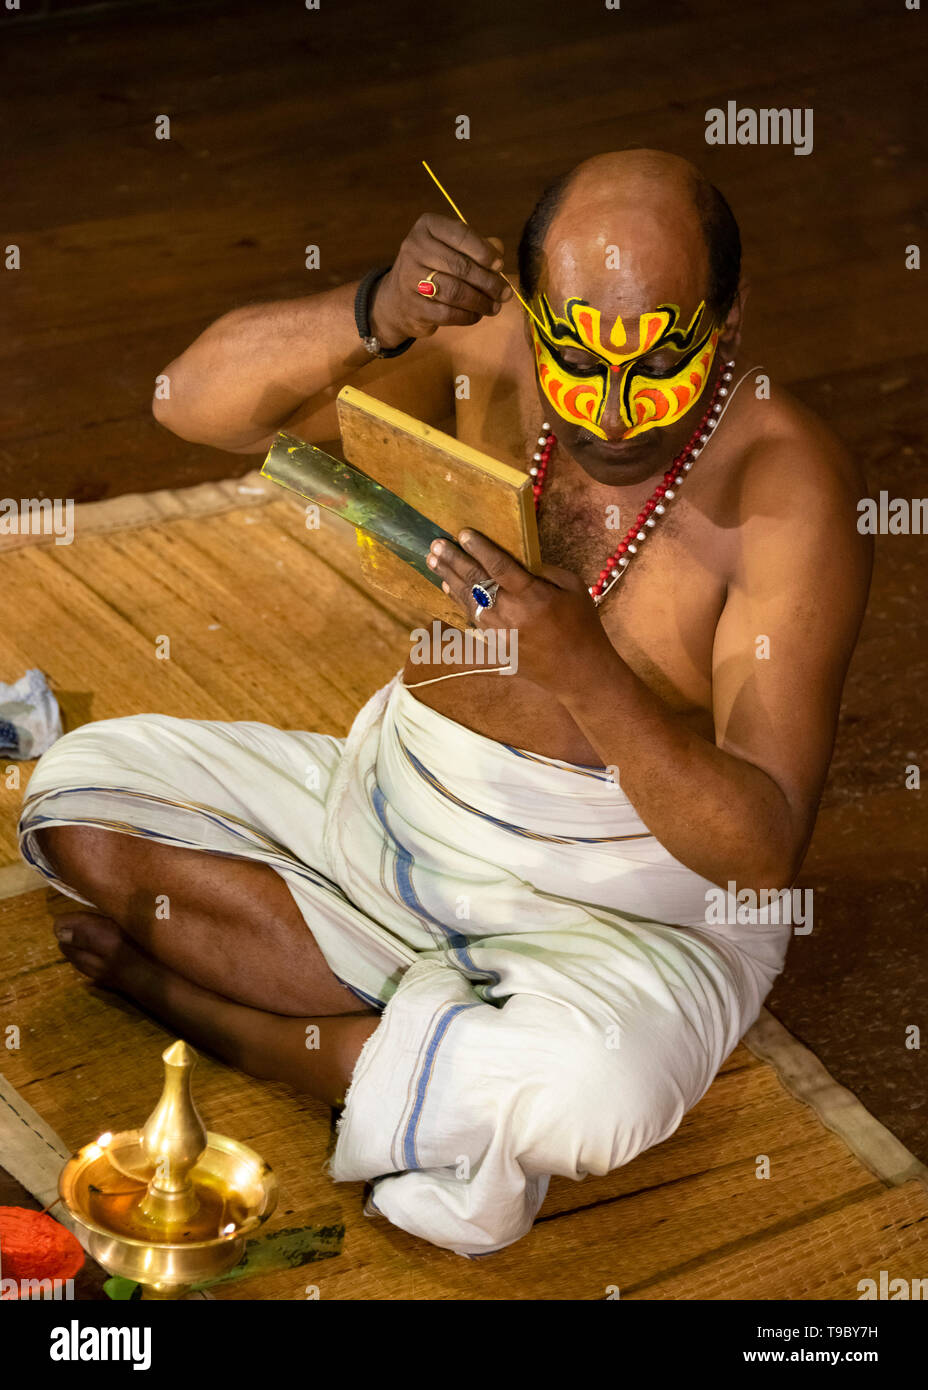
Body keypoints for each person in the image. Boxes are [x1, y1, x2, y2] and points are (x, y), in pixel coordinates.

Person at [19, 150, 872, 1256]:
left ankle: (260, 1031)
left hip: (618, 914)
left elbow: (757, 853)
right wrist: (370, 306)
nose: (612, 411)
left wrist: (588, 675)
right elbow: (189, 403)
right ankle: (424, 1044)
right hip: (384, 812)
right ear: (530, 311)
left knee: (588, 1094)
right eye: (577, 359)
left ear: (732, 316)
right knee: (77, 793)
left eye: (660, 358)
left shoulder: (786, 484)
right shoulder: (484, 350)